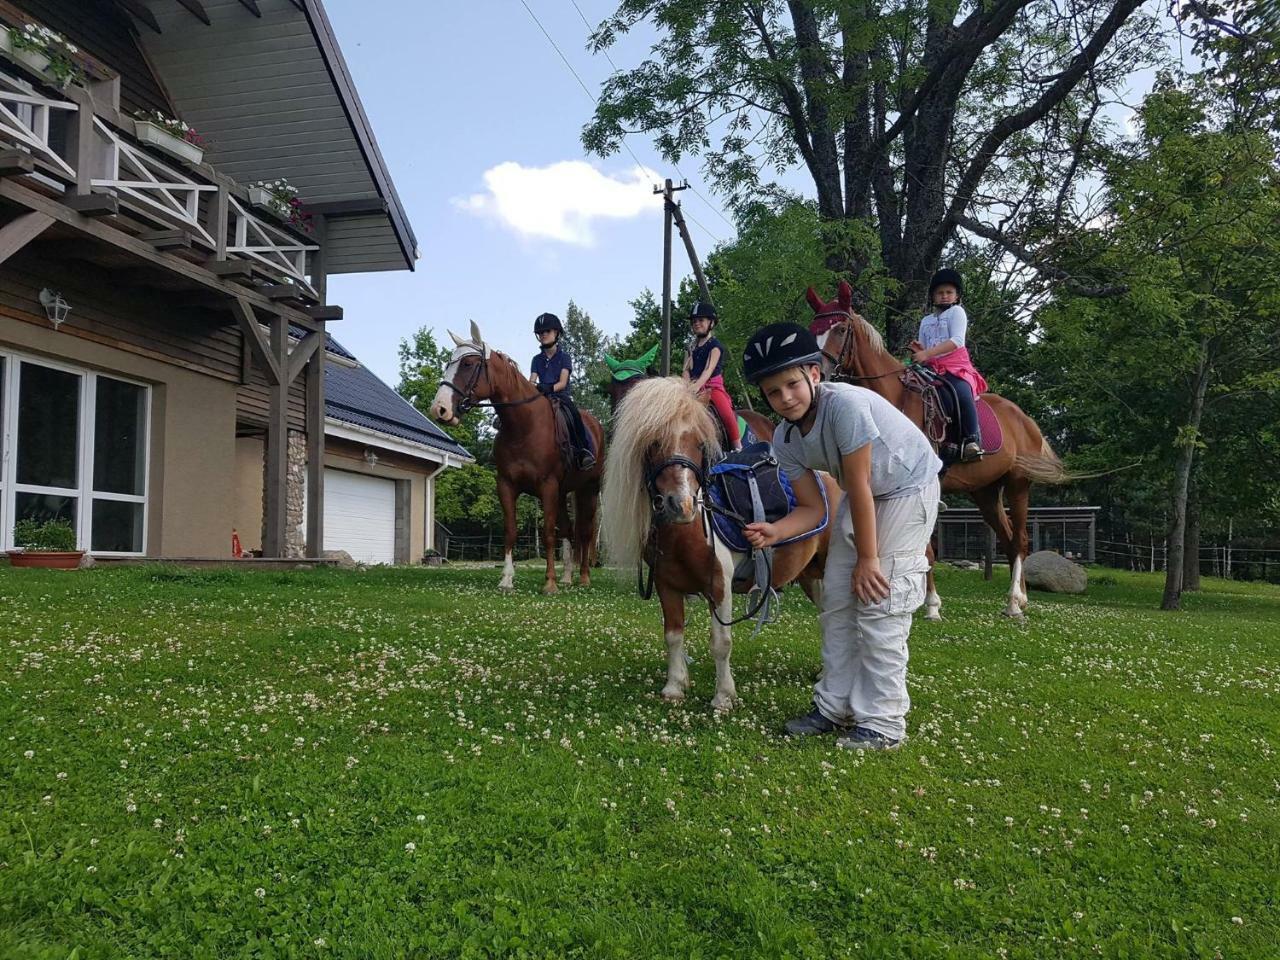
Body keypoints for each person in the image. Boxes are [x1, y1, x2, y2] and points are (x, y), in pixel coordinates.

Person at [740, 323, 941, 751]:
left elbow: (862, 484)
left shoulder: (845, 406)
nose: (785, 398)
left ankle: (884, 722)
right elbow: (812, 509)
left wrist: (868, 560)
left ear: (814, 373)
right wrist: (775, 530)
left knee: (878, 600)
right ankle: (834, 706)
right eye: (773, 393)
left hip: (906, 489)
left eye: (792, 384)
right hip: (862, 495)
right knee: (836, 597)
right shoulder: (785, 437)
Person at [909, 268, 989, 462]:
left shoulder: (957, 312)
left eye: (948, 292)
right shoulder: (926, 320)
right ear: (933, 297)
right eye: (940, 293)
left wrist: (927, 353)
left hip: (954, 366)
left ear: (956, 295)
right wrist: (920, 351)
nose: (944, 296)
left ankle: (971, 439)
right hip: (931, 367)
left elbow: (957, 341)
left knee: (960, 391)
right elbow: (924, 346)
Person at [529, 312, 594, 470]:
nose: (543, 335)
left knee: (574, 415)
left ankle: (583, 450)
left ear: (556, 333)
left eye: (547, 331)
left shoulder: (565, 357)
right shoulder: (536, 360)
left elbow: (563, 383)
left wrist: (549, 388)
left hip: (560, 396)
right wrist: (530, 388)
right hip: (541, 396)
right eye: (540, 333)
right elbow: (531, 380)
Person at [682, 301, 742, 452]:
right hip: (691, 388)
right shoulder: (690, 348)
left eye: (701, 320)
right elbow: (686, 370)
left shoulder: (715, 346)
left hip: (711, 387)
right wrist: (686, 387)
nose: (697, 324)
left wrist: (696, 387)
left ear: (711, 323)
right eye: (694, 321)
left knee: (725, 412)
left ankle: (737, 446)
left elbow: (708, 370)